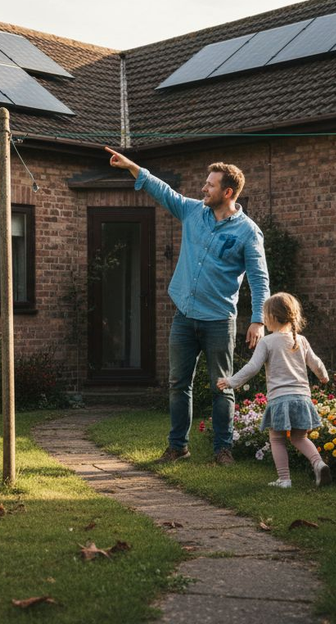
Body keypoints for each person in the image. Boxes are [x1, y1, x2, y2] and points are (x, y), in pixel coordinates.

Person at [105, 146, 269, 466]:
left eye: (210, 185)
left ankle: (223, 449)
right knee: (178, 384)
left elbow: (260, 279)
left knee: (222, 386)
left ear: (228, 191)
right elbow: (163, 191)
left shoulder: (248, 232)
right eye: (205, 184)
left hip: (219, 320)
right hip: (184, 316)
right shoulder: (193, 212)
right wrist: (131, 166)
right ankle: (178, 446)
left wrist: (258, 319)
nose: (203, 188)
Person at [217, 292, 331, 487]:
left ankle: (284, 479)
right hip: (302, 398)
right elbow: (316, 363)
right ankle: (318, 463)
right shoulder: (300, 340)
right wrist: (323, 377)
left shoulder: (267, 342)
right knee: (299, 437)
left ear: (271, 317)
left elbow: (252, 367)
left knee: (277, 439)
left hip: (280, 398)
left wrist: (231, 381)